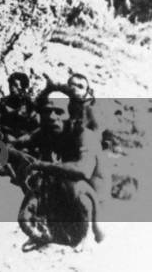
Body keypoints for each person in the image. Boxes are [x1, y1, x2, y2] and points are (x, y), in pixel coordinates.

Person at [14, 86, 105, 250]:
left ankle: (89, 235)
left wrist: (40, 165)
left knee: (72, 183)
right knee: (25, 214)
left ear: (71, 115)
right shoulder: (44, 132)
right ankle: (47, 231)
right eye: (47, 111)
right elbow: (16, 144)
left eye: (59, 112)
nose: (51, 117)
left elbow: (82, 170)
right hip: (63, 196)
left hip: (92, 200)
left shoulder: (84, 136)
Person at [0, 72, 39, 143]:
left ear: (23, 86)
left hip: (26, 139)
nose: (12, 88)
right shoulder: (3, 102)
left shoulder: (30, 104)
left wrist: (28, 136)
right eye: (10, 84)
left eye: (15, 85)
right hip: (6, 137)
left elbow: (37, 124)